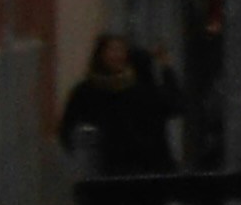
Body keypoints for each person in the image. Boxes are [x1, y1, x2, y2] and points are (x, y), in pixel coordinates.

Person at [58, 29, 180, 182]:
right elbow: (68, 129)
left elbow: (173, 106)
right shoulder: (86, 91)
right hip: (104, 173)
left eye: (121, 50)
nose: (117, 56)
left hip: (143, 173)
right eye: (112, 50)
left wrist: (167, 70)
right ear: (100, 55)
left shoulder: (140, 89)